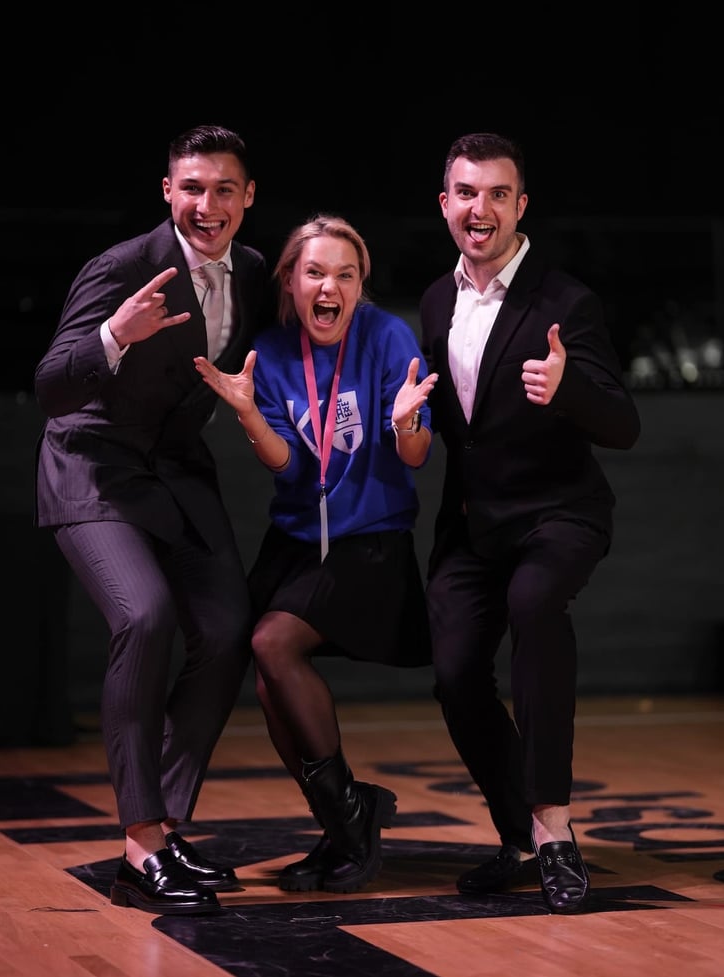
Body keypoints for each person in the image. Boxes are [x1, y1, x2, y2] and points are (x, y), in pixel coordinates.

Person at [34, 124, 274, 915]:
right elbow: (52, 386)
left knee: (228, 626)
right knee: (144, 615)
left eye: (224, 189)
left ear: (247, 197)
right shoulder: (121, 269)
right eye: (192, 188)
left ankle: (166, 825)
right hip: (92, 462)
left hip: (174, 471)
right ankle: (140, 847)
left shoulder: (252, 272)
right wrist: (114, 335)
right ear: (168, 191)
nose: (207, 204)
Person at [419, 132, 641, 915]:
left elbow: (623, 425)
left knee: (535, 605)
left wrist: (569, 386)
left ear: (520, 206)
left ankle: (553, 828)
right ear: (445, 203)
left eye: (497, 194)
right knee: (454, 673)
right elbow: (456, 427)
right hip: (474, 525)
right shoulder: (436, 301)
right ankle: (518, 833)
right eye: (466, 193)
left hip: (558, 514)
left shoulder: (564, 301)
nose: (479, 208)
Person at [194, 213, 438, 894]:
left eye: (346, 275)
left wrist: (405, 423)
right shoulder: (271, 352)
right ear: (291, 282)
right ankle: (343, 823)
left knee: (272, 642)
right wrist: (248, 413)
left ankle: (350, 815)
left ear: (360, 286)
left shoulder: (386, 336)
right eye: (315, 272)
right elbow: (289, 465)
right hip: (299, 536)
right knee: (267, 674)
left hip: (370, 538)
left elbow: (415, 455)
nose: (330, 286)